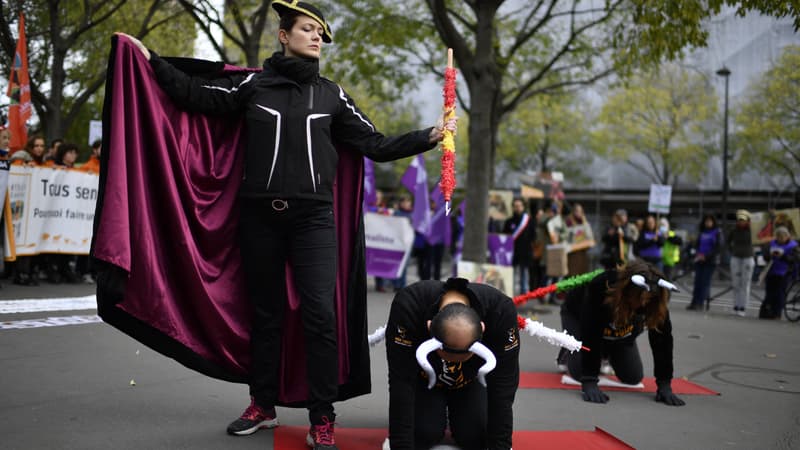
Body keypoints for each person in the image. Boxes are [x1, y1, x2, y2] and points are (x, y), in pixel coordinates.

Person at [118, 2, 457, 448]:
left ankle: (322, 417)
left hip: (313, 221)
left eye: (320, 32)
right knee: (266, 315)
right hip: (259, 217)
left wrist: (428, 136)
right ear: (284, 35)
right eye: (308, 29)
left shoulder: (332, 94)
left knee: (319, 314)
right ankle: (262, 405)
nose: (317, 37)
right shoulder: (253, 85)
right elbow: (193, 95)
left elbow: (373, 144)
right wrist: (148, 61)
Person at [385, 277, 519, 450]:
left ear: (482, 329)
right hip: (425, 380)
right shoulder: (409, 304)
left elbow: (503, 386)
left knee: (477, 438)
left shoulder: (500, 311)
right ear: (429, 326)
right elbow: (400, 381)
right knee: (423, 435)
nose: (451, 365)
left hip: (472, 380)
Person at [558, 260, 685, 406]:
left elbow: (662, 340)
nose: (644, 303)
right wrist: (589, 380)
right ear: (628, 291)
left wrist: (664, 384)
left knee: (633, 377)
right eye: (641, 298)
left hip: (617, 328)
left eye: (648, 299)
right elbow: (591, 332)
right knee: (579, 372)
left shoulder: (654, 299)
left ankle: (606, 350)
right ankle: (568, 352)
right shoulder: (601, 286)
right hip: (579, 319)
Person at [759, 227, 798, 319]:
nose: (780, 239)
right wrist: (770, 255)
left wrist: (783, 256)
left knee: (780, 293)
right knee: (769, 292)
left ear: (787, 236)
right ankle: (766, 313)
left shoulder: (793, 246)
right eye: (778, 237)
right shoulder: (771, 243)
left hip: (785, 272)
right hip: (771, 271)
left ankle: (777, 313)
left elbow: (795, 259)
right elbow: (765, 256)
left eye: (782, 237)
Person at [687, 214, 722, 311]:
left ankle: (700, 303)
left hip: (710, 261)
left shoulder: (717, 232)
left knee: (704, 282)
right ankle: (694, 302)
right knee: (697, 282)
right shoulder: (702, 232)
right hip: (699, 259)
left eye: (710, 221)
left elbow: (717, 248)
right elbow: (697, 245)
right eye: (706, 221)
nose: (708, 223)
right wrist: (697, 254)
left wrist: (706, 256)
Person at [503, 197, 532, 295]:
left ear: (523, 207)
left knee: (524, 274)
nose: (517, 208)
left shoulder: (528, 221)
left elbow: (534, 236)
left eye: (519, 206)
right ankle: (511, 293)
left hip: (525, 251)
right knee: (513, 274)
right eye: (515, 206)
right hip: (512, 252)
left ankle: (525, 294)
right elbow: (505, 236)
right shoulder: (509, 222)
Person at [728, 210, 755, 317]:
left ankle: (743, 306)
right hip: (736, 257)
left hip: (748, 258)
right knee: (736, 283)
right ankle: (736, 305)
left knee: (745, 283)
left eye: (743, 220)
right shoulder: (734, 230)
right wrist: (732, 250)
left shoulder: (752, 230)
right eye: (739, 220)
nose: (741, 222)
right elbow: (728, 241)